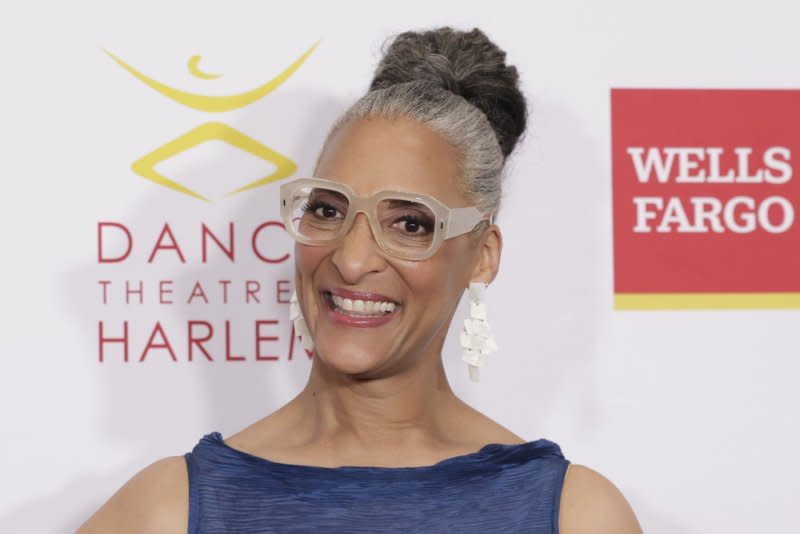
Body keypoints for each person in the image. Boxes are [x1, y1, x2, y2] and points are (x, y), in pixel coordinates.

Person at [78, 26, 643, 534]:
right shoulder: (167, 511)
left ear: (482, 256)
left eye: (410, 223)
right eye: (327, 210)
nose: (351, 260)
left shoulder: (575, 515)